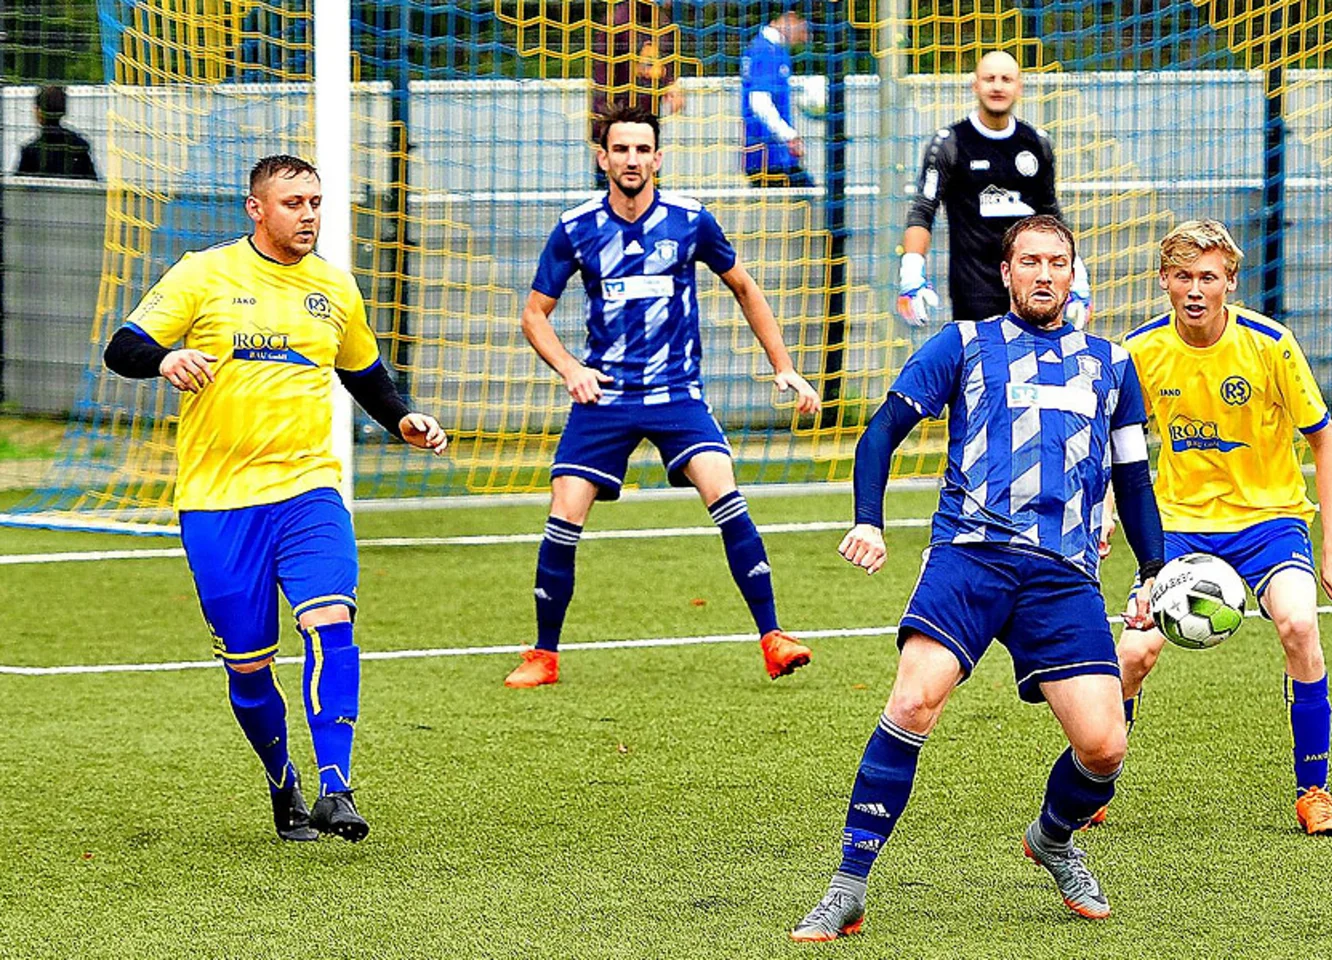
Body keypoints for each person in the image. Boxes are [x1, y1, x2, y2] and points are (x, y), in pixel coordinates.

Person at [790, 215, 1164, 941]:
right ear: (1006, 271)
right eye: (1031, 261)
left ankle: (1052, 837)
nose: (1044, 274)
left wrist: (1153, 569)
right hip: (970, 554)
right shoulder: (961, 344)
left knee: (1105, 746)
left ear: (1073, 274)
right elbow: (880, 432)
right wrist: (869, 520)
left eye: (1057, 262)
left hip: (1063, 574)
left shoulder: (1113, 365)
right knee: (912, 701)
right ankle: (847, 887)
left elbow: (1134, 478)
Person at [101, 154, 448, 842]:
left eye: (315, 201)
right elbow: (122, 347)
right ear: (256, 209)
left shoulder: (335, 287)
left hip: (307, 490)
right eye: (293, 203)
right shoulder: (203, 273)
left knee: (331, 621)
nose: (309, 214)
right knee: (249, 667)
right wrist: (166, 357)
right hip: (219, 503)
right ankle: (282, 778)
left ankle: (335, 787)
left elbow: (365, 374)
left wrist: (403, 419)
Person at [508, 105, 823, 689]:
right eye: (620, 149)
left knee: (724, 490)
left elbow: (744, 286)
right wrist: (571, 369)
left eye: (641, 150)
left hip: (677, 392)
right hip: (605, 397)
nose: (631, 160)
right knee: (564, 512)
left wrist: (784, 367)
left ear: (657, 157)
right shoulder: (576, 227)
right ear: (603, 158)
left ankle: (774, 637)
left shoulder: (690, 220)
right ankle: (544, 656)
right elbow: (534, 315)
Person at [1101, 220, 1332, 837]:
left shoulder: (1270, 345)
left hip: (1269, 521)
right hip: (1178, 525)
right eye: (1183, 276)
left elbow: (1325, 442)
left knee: (1299, 623)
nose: (1196, 290)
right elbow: (1111, 444)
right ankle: (1093, 783)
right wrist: (1107, 512)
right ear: (1164, 281)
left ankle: (1314, 791)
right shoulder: (1138, 351)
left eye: (1209, 277)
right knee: (1134, 652)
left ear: (1231, 282)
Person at [896, 50, 1088, 328]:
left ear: (1019, 87)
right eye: (989, 79)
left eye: (1006, 79)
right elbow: (923, 210)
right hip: (974, 291)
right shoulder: (950, 144)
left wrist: (1076, 275)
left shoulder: (1037, 143)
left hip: (1032, 287)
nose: (998, 86)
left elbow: (1051, 215)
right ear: (975, 85)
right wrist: (911, 271)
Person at [590, 0, 683, 189]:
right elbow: (602, 79)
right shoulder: (617, 22)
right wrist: (601, 126)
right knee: (613, 191)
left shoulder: (661, 22)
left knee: (648, 190)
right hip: (618, 129)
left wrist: (670, 84)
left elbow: (661, 64)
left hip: (647, 126)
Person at [741, 9, 812, 188]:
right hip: (769, 154)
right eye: (803, 28)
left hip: (773, 154)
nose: (805, 36)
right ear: (790, 18)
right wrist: (789, 136)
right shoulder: (766, 50)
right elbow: (759, 100)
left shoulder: (770, 48)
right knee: (813, 198)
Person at [15, 86, 98, 180]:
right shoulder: (78, 145)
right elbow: (91, 181)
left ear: (40, 111)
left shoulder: (31, 151)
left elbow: (20, 184)